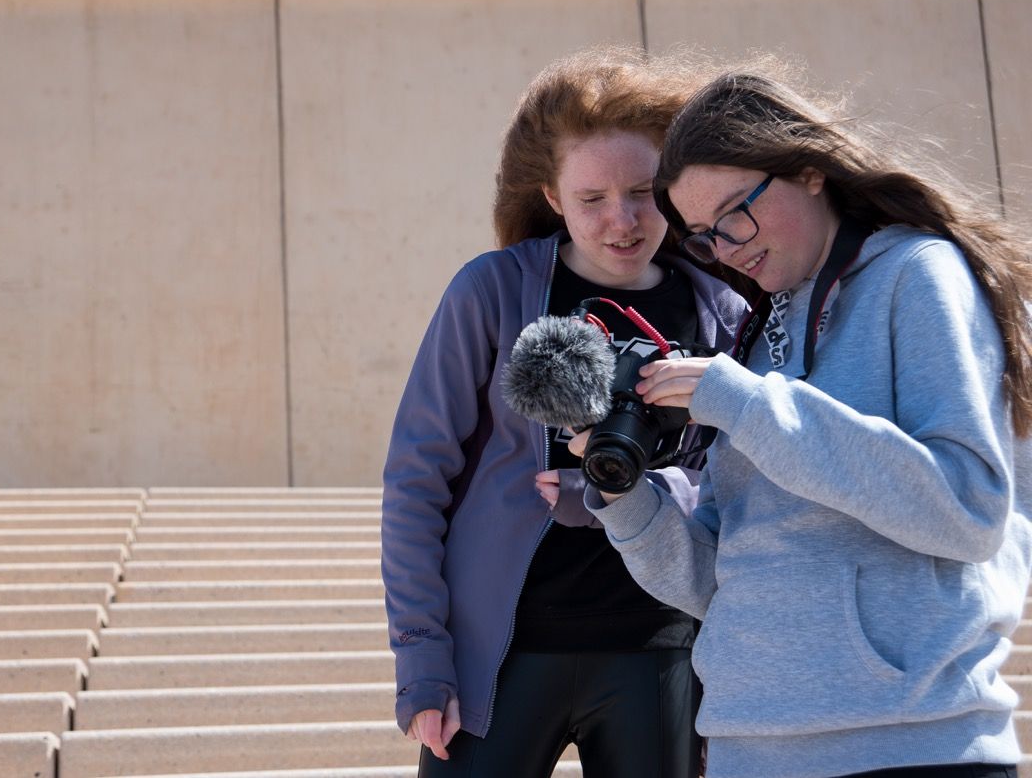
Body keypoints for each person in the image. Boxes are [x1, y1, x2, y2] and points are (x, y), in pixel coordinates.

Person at [567, 70, 1032, 778]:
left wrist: (749, 405)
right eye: (703, 237)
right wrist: (628, 502)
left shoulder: (918, 274)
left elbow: (970, 511)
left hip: (911, 748)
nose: (726, 249)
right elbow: (717, 581)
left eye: (736, 214)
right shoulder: (756, 336)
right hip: (750, 751)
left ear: (809, 171)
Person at [380, 47, 747, 778]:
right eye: (592, 199)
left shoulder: (725, 311)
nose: (623, 219)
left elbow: (733, 491)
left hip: (660, 654)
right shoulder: (490, 292)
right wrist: (424, 658)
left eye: (644, 191)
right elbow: (416, 479)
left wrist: (619, 496)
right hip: (503, 657)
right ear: (551, 196)